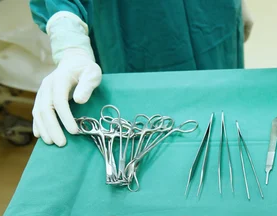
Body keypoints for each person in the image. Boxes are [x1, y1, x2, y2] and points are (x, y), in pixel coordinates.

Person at [29, 0, 254, 146]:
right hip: (134, 25)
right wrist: (69, 43)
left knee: (220, 120)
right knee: (144, 133)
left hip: (213, 14)